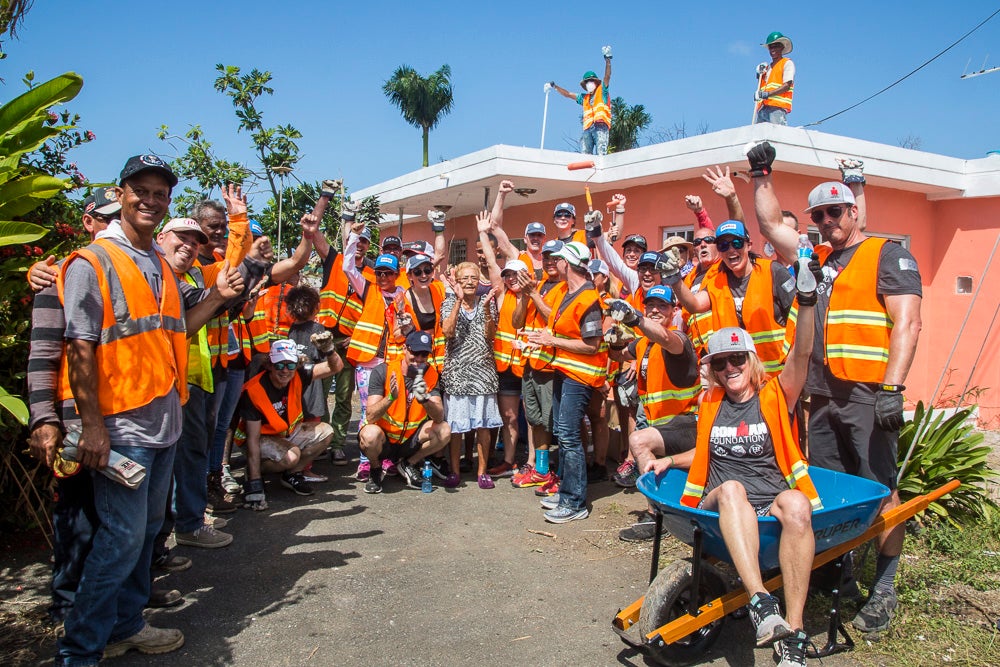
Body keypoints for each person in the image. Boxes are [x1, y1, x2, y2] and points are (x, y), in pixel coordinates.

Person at [55, 154, 243, 664]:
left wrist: (217, 299)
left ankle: (127, 624)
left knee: (142, 535)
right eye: (141, 190)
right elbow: (78, 347)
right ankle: (80, 649)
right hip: (120, 426)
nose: (151, 200)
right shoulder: (93, 263)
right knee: (120, 539)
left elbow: (176, 328)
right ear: (120, 193)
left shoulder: (156, 262)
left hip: (163, 419)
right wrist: (92, 427)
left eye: (160, 193)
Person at [747, 140, 923, 635]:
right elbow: (768, 226)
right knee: (827, 488)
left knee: (881, 490)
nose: (825, 221)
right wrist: (761, 174)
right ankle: (839, 574)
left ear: (853, 209)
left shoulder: (886, 255)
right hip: (820, 396)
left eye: (833, 212)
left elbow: (907, 324)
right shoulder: (815, 258)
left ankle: (883, 588)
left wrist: (893, 388)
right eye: (818, 215)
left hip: (869, 396)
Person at [646, 253, 823, 667]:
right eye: (720, 363)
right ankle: (761, 600)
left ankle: (793, 633)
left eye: (736, 359)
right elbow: (705, 451)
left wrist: (808, 301)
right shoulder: (711, 401)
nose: (729, 369)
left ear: (751, 359)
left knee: (797, 503)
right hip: (721, 503)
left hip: (770, 499)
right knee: (731, 489)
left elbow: (801, 353)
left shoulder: (776, 394)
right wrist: (669, 462)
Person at [605, 285, 701, 542]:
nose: (656, 310)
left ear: (674, 311)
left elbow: (666, 339)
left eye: (663, 306)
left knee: (638, 439)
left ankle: (654, 515)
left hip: (688, 424)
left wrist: (636, 318)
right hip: (662, 424)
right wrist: (611, 341)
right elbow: (619, 354)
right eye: (651, 306)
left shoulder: (679, 339)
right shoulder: (643, 343)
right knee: (643, 437)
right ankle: (665, 512)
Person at [526, 241, 607, 523]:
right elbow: (558, 327)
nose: (553, 264)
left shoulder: (588, 298)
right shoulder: (567, 292)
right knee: (564, 435)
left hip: (580, 377)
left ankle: (575, 502)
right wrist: (541, 338)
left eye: (558, 259)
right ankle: (565, 493)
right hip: (564, 371)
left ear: (567, 263)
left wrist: (551, 340)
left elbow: (593, 345)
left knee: (570, 437)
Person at [670, 219, 796, 375]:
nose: (730, 250)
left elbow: (799, 318)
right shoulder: (716, 281)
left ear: (748, 245)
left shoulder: (773, 271)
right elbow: (694, 305)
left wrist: (797, 366)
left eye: (736, 243)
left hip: (774, 376)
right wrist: (674, 279)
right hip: (735, 376)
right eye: (723, 245)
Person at [236, 337, 342, 506]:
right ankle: (254, 471)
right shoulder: (254, 391)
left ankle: (292, 474)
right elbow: (252, 440)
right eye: (279, 365)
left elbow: (334, 367)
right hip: (260, 438)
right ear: (270, 365)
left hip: (285, 433)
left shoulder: (299, 374)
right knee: (292, 456)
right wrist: (254, 485)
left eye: (290, 365)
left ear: (297, 365)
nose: (285, 370)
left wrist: (329, 350)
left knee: (326, 432)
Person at [358, 330, 452, 493]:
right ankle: (375, 469)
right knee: (369, 434)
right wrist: (390, 398)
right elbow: (370, 416)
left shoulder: (430, 374)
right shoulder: (383, 370)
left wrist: (424, 399)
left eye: (424, 354)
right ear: (405, 349)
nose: (420, 359)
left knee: (444, 430)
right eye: (415, 353)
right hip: (385, 439)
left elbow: (439, 416)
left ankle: (409, 463)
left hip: (411, 440)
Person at [441, 256, 502, 489]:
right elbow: (448, 331)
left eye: (473, 278)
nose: (469, 282)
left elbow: (491, 335)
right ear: (456, 281)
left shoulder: (487, 301)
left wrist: (486, 309)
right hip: (456, 373)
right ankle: (455, 471)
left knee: (483, 426)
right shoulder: (448, 302)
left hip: (483, 373)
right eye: (464, 278)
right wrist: (457, 302)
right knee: (456, 427)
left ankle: (482, 472)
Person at [550, 46, 614, 155]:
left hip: (600, 125)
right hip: (588, 128)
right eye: (587, 82)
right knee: (585, 154)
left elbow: (607, 76)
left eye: (591, 81)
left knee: (601, 153)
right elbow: (568, 94)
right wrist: (556, 87)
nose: (589, 83)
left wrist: (607, 60)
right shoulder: (584, 98)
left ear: (595, 82)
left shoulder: (601, 90)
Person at [755, 31, 795, 125]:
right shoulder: (767, 68)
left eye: (776, 46)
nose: (773, 49)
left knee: (776, 136)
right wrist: (759, 75)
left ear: (781, 47)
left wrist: (767, 94)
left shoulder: (787, 63)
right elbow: (762, 87)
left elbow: (787, 86)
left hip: (777, 108)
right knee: (760, 137)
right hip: (762, 108)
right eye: (771, 46)